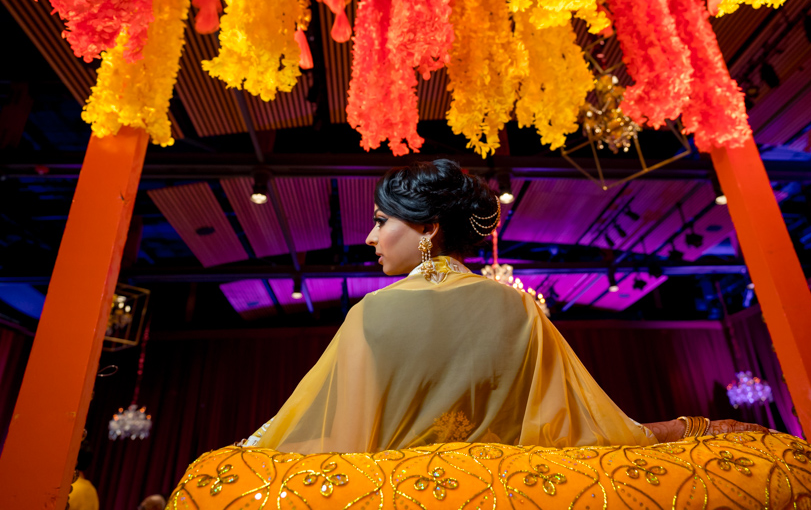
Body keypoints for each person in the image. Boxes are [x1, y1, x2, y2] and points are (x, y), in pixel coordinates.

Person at [245, 159, 764, 453]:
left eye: (382, 221)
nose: (369, 235)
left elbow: (329, 436)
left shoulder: (370, 313)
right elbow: (579, 427)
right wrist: (682, 430)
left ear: (428, 227)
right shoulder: (517, 308)